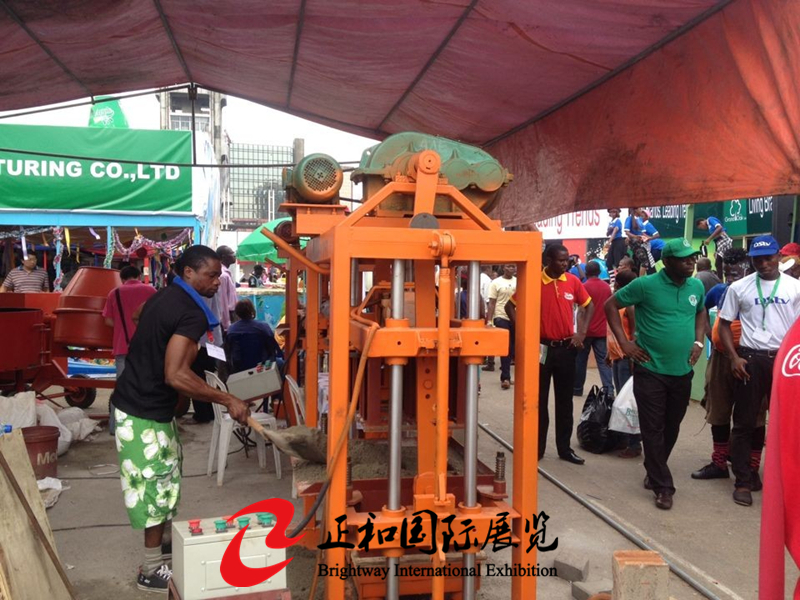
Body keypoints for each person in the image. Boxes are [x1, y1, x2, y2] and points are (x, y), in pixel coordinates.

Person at [110, 245, 250, 592]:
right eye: (211, 275)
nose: (217, 281)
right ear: (189, 273)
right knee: (154, 487)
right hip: (141, 409)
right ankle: (150, 569)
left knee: (168, 476)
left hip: (148, 403)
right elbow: (176, 375)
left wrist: (155, 346)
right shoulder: (190, 312)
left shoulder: (163, 296)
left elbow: (139, 315)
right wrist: (228, 398)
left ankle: (164, 549)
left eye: (218, 275)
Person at [605, 238, 707, 510]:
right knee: (652, 428)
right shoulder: (645, 285)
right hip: (650, 369)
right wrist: (625, 343)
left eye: (692, 257)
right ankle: (663, 486)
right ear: (668, 261)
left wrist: (699, 342)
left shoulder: (696, 286)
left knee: (672, 425)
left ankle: (654, 469)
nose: (691, 262)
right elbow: (610, 305)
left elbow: (701, 313)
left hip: (682, 370)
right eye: (684, 258)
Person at [719, 235, 800, 507]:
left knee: (787, 423)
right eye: (758, 259)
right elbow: (724, 324)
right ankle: (743, 481)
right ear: (751, 260)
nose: (763, 263)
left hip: (784, 361)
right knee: (744, 422)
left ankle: (785, 481)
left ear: (778, 257)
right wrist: (733, 357)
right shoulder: (739, 288)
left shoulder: (795, 287)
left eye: (768, 258)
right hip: (750, 359)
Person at [691, 248, 764, 483]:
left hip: (752, 359)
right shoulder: (720, 290)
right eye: (728, 273)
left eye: (736, 273)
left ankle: (751, 468)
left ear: (748, 269)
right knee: (718, 410)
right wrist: (707, 338)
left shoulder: (761, 291)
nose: (731, 278)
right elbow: (701, 310)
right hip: (722, 358)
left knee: (754, 415)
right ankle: (719, 462)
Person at [539, 244, 594, 464]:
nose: (565, 264)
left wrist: (582, 333)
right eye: (560, 260)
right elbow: (511, 307)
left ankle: (564, 449)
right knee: (539, 402)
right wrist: (524, 332)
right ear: (548, 260)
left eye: (566, 260)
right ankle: (537, 449)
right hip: (541, 349)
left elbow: (589, 306)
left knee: (565, 402)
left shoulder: (573, 281)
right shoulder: (534, 280)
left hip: (566, 349)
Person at [102, 266, 157, 434]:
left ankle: (115, 428)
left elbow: (108, 321)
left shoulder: (114, 293)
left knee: (122, 388)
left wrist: (122, 326)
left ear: (122, 278)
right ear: (139, 276)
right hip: (147, 347)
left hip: (123, 347)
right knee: (149, 386)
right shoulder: (151, 290)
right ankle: (147, 427)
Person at [606, 268, 642, 457]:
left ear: (618, 285)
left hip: (626, 359)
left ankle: (634, 443)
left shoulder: (630, 305)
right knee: (621, 399)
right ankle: (625, 439)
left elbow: (634, 332)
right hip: (617, 357)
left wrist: (633, 357)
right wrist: (609, 353)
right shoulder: (618, 302)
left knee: (629, 402)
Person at [573, 261, 613, 397]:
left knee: (580, 360)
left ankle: (577, 388)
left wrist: (580, 332)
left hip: (586, 331)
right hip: (601, 330)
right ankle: (609, 390)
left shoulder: (584, 287)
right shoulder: (606, 287)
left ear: (587, 272)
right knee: (603, 361)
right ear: (599, 272)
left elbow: (581, 311)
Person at [226, 299, 283, 373]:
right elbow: (273, 348)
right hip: (262, 367)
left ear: (237, 312)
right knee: (281, 363)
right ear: (252, 311)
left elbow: (228, 352)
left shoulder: (231, 330)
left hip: (239, 369)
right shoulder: (263, 327)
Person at [486, 264, 517, 389]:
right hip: (501, 316)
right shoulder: (496, 283)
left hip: (515, 317)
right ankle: (505, 377)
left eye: (514, 267)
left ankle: (511, 374)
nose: (512, 269)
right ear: (503, 268)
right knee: (506, 347)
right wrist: (489, 321)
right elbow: (492, 303)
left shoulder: (519, 281)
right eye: (509, 266)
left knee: (514, 348)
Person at [215, 245, 238, 331]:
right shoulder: (223, 275)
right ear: (223, 257)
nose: (234, 255)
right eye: (232, 253)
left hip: (231, 315)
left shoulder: (226, 274)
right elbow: (223, 301)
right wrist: (226, 325)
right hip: (229, 317)